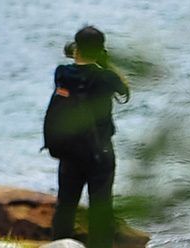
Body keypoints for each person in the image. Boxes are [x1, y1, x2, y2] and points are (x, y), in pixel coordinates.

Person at [45, 25, 130, 248]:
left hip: (69, 152)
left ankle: (59, 245)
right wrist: (104, 61)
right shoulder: (106, 78)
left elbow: (76, 70)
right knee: (100, 209)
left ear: (77, 48)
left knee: (65, 207)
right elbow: (124, 89)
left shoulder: (62, 74)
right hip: (99, 152)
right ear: (101, 50)